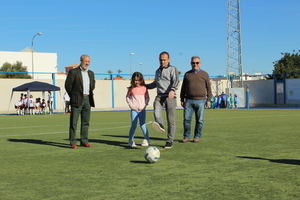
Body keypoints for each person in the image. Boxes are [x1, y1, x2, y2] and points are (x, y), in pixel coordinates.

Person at [146, 51, 179, 149]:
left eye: (164, 60)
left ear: (168, 60)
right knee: (156, 112)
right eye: (161, 60)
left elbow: (176, 81)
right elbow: (155, 83)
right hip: (160, 96)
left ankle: (170, 140)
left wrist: (172, 90)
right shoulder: (157, 71)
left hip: (170, 97)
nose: (162, 61)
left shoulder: (172, 69)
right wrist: (145, 86)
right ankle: (161, 126)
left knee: (171, 121)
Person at [65, 54, 95, 149]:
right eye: (86, 61)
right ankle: (73, 142)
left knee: (86, 122)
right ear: (81, 61)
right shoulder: (73, 72)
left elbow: (92, 86)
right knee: (74, 122)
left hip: (88, 99)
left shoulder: (91, 73)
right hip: (77, 99)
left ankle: (84, 141)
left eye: (88, 61)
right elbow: (68, 86)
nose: (87, 63)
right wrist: (73, 96)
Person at [180, 56, 212, 143]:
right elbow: (183, 88)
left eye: (197, 63)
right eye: (193, 63)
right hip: (188, 100)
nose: (195, 64)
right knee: (186, 120)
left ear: (200, 63)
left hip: (201, 101)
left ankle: (197, 136)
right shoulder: (187, 74)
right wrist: (182, 99)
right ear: (190, 63)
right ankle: (186, 137)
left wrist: (208, 100)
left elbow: (208, 88)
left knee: (200, 120)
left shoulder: (205, 74)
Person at [126, 72, 150, 147]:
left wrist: (144, 106)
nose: (137, 82)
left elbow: (147, 98)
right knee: (133, 125)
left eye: (138, 80)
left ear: (141, 80)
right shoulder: (131, 89)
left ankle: (147, 140)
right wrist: (131, 106)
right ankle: (131, 140)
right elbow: (127, 98)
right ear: (133, 80)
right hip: (134, 110)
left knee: (143, 125)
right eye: (135, 80)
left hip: (142, 110)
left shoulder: (144, 88)